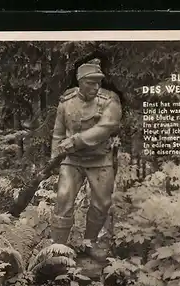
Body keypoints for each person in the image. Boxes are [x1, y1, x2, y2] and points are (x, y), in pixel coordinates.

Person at [50, 58, 122, 260]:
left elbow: (105, 128)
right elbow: (58, 133)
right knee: (63, 199)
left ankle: (90, 242)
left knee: (101, 203)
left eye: (98, 82)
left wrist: (75, 140)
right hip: (71, 161)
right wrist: (54, 158)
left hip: (100, 160)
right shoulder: (67, 102)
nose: (95, 86)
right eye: (90, 82)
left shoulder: (110, 101)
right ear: (80, 81)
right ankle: (57, 249)